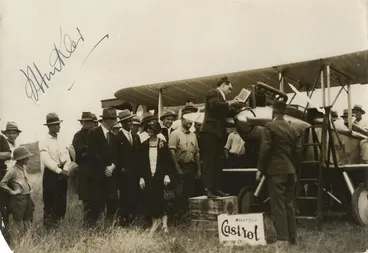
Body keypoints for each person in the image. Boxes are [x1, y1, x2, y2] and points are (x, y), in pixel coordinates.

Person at [256, 100, 301, 245]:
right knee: (289, 204)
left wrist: (260, 169)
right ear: (284, 112)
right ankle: (292, 237)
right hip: (291, 171)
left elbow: (265, 149)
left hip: (276, 171)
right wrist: (293, 167)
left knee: (278, 205)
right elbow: (298, 152)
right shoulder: (293, 129)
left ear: (273, 112)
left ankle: (282, 238)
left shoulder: (269, 127)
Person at [200, 76, 242, 198]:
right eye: (229, 88)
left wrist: (237, 107)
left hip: (217, 133)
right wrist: (231, 103)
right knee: (209, 162)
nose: (230, 92)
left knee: (217, 162)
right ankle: (208, 189)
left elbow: (224, 110)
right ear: (223, 84)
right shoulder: (213, 93)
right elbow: (214, 106)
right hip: (209, 132)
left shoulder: (222, 99)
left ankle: (216, 188)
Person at [87, 108, 120, 225]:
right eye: (114, 119)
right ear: (107, 120)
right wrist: (104, 169)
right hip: (97, 178)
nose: (116, 122)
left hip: (111, 177)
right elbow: (93, 154)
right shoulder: (93, 133)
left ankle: (109, 228)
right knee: (96, 206)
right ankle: (91, 231)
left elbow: (117, 155)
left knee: (113, 204)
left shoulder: (114, 136)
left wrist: (112, 167)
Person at [39, 113, 72, 230]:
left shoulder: (62, 139)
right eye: (56, 125)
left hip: (63, 173)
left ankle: (59, 227)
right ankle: (49, 228)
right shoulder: (44, 141)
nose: (58, 126)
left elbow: (67, 156)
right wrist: (59, 171)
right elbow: (46, 160)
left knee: (61, 202)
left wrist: (65, 169)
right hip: (51, 174)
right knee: (50, 202)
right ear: (49, 126)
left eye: (58, 124)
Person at [138, 121, 171, 233]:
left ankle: (165, 225)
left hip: (160, 176)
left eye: (152, 129)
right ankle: (154, 223)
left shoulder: (162, 144)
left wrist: (166, 175)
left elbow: (167, 161)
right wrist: (141, 178)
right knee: (150, 199)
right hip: (148, 176)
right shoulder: (144, 145)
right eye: (148, 129)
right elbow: (141, 163)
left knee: (161, 198)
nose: (149, 131)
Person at [169, 110, 201, 217]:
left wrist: (199, 169)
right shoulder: (175, 134)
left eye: (191, 120)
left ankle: (186, 216)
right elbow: (172, 152)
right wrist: (178, 169)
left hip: (191, 167)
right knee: (179, 193)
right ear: (182, 119)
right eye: (188, 119)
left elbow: (196, 153)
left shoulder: (193, 135)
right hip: (179, 166)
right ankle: (176, 216)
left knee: (189, 192)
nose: (190, 122)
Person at [0, 146, 34, 238]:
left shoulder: (23, 168)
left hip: (27, 197)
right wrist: (12, 192)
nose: (28, 158)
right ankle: (16, 242)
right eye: (26, 156)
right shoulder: (12, 170)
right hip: (19, 199)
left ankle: (28, 240)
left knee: (28, 219)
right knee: (17, 221)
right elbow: (2, 183)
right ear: (21, 159)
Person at [116, 110, 141, 226]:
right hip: (123, 175)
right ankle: (124, 221)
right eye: (129, 121)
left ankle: (133, 220)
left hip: (135, 174)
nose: (132, 123)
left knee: (134, 197)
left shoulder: (136, 137)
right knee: (124, 198)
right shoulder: (117, 137)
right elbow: (115, 156)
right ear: (123, 123)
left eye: (132, 121)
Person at [72, 112, 95, 227]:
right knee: (86, 200)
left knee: (96, 199)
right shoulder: (78, 136)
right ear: (81, 122)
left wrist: (88, 150)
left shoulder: (96, 134)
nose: (88, 124)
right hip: (84, 172)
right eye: (85, 121)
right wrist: (90, 151)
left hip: (96, 172)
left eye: (90, 121)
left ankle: (95, 225)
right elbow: (81, 152)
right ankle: (87, 226)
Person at [0, 129, 11, 243]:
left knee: (3, 207)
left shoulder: (1, 139)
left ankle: (5, 236)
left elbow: (8, 154)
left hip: (0, 177)